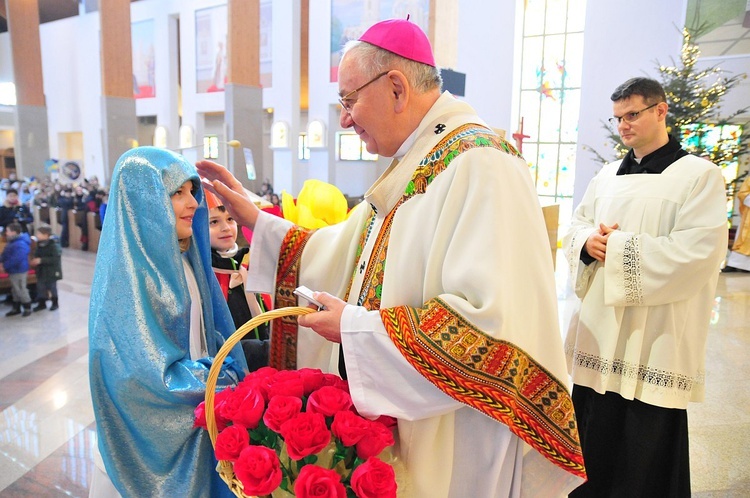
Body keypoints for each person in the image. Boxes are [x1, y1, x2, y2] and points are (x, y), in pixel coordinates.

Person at [199, 18, 585, 497]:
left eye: (349, 99)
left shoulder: (482, 164)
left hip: (457, 436)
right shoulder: (417, 162)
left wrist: (357, 330)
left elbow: (491, 328)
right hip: (414, 426)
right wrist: (258, 220)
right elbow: (341, 251)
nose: (344, 119)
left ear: (397, 88)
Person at [563, 77, 727, 497]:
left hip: (656, 333)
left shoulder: (699, 176)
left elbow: (698, 253)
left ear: (660, 110)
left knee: (642, 447)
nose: (623, 125)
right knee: (592, 436)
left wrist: (615, 247)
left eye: (632, 114)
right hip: (600, 330)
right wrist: (587, 242)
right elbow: (576, 225)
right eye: (618, 118)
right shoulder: (605, 176)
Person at [88, 147, 247, 498]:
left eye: (193, 192)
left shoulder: (187, 261)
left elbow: (210, 336)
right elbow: (137, 377)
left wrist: (223, 372)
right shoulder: (125, 280)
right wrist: (215, 380)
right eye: (178, 193)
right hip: (154, 444)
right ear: (142, 200)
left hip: (201, 417)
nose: (194, 203)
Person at [205, 189, 271, 371]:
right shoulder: (206, 280)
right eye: (214, 222)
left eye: (230, 219)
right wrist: (266, 350)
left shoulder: (244, 268)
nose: (226, 227)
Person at [1, 222, 32, 317]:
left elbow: (17, 258)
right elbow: (6, 254)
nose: (6, 233)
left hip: (19, 269)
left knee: (21, 289)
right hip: (13, 269)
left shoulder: (21, 243)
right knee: (15, 290)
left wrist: (4, 266)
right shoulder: (13, 241)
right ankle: (16, 308)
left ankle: (27, 307)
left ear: (14, 232)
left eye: (8, 231)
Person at [30, 223, 62, 311]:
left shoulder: (54, 245)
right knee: (41, 287)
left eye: (39, 234)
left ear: (46, 235)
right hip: (41, 270)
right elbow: (37, 254)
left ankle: (55, 303)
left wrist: (41, 260)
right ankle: (42, 303)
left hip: (51, 271)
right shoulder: (39, 244)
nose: (37, 235)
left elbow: (55, 259)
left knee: (52, 287)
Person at [724, 173, 750, 272]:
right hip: (748, 216)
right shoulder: (749, 180)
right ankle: (735, 264)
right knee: (743, 237)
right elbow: (742, 194)